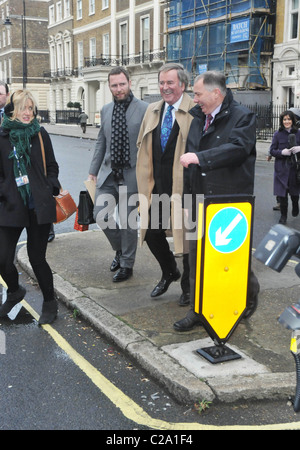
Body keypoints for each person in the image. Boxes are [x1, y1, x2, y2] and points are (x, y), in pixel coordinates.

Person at [173, 71, 260, 332]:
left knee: (230, 256)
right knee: (196, 259)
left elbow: (237, 149)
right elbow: (189, 161)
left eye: (197, 94)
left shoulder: (243, 117)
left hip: (228, 202)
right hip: (200, 200)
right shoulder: (198, 117)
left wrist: (201, 157)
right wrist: (188, 199)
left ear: (216, 93)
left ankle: (246, 295)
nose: (194, 99)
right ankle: (198, 310)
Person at [0, 89, 60, 324]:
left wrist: (50, 186)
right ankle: (14, 291)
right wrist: (4, 191)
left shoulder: (41, 134)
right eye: (23, 108)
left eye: (31, 108)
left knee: (37, 258)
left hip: (38, 206)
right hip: (11, 206)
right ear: (12, 110)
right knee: (3, 258)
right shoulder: (3, 136)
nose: (27, 113)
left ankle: (49, 302)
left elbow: (52, 166)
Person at [136, 63, 194, 304]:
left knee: (189, 239)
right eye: (161, 82)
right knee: (151, 233)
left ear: (182, 84)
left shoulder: (195, 110)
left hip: (185, 189)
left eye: (170, 82)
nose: (165, 87)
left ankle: (187, 287)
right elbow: (143, 147)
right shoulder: (153, 110)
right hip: (157, 187)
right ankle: (170, 270)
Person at [88, 67, 148, 282]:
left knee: (128, 221)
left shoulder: (145, 109)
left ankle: (127, 265)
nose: (118, 89)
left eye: (122, 84)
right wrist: (93, 171)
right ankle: (120, 250)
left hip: (131, 174)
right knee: (101, 216)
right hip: (108, 174)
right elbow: (100, 143)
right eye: (114, 85)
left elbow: (149, 145)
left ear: (129, 83)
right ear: (110, 86)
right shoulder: (105, 110)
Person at [269, 110, 300, 225]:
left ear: (293, 120)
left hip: (294, 168)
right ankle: (283, 216)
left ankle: (296, 204)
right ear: (282, 121)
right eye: (284, 119)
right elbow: (272, 150)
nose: (287, 121)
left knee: (294, 193)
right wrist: (282, 152)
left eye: (289, 119)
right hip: (281, 169)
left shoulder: (298, 133)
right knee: (282, 195)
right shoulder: (277, 134)